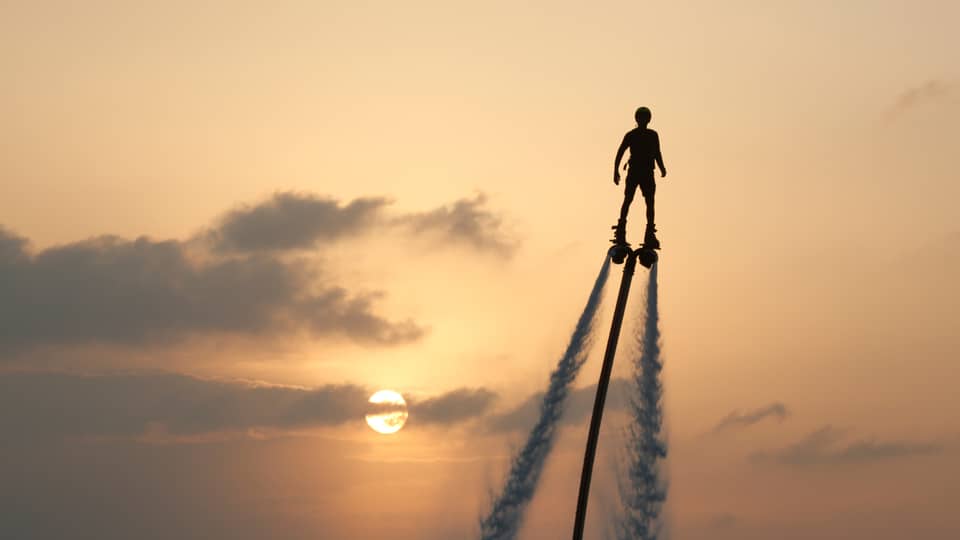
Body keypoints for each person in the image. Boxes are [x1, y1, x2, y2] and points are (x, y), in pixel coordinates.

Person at [612, 106, 667, 248]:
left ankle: (649, 234)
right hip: (635, 172)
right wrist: (615, 170)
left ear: (648, 119)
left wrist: (662, 167)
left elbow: (657, 152)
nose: (643, 120)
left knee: (650, 202)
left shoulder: (653, 135)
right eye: (641, 118)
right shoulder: (631, 135)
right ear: (637, 119)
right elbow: (620, 152)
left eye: (645, 118)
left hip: (647, 173)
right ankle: (621, 230)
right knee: (628, 200)